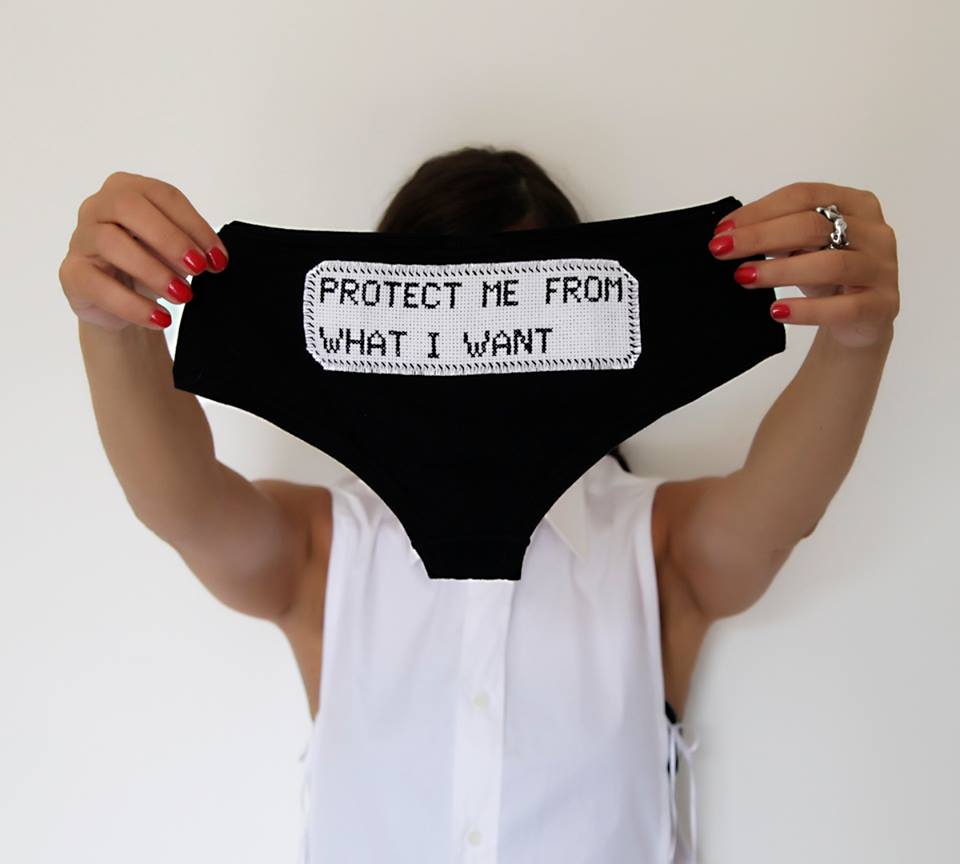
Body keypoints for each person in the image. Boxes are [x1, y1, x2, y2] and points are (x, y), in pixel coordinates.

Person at [61, 145, 900, 863]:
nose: (479, 368)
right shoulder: (328, 548)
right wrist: (113, 324)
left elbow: (783, 510)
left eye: (519, 309)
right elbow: (178, 502)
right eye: (437, 314)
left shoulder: (656, 544)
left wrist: (855, 341)